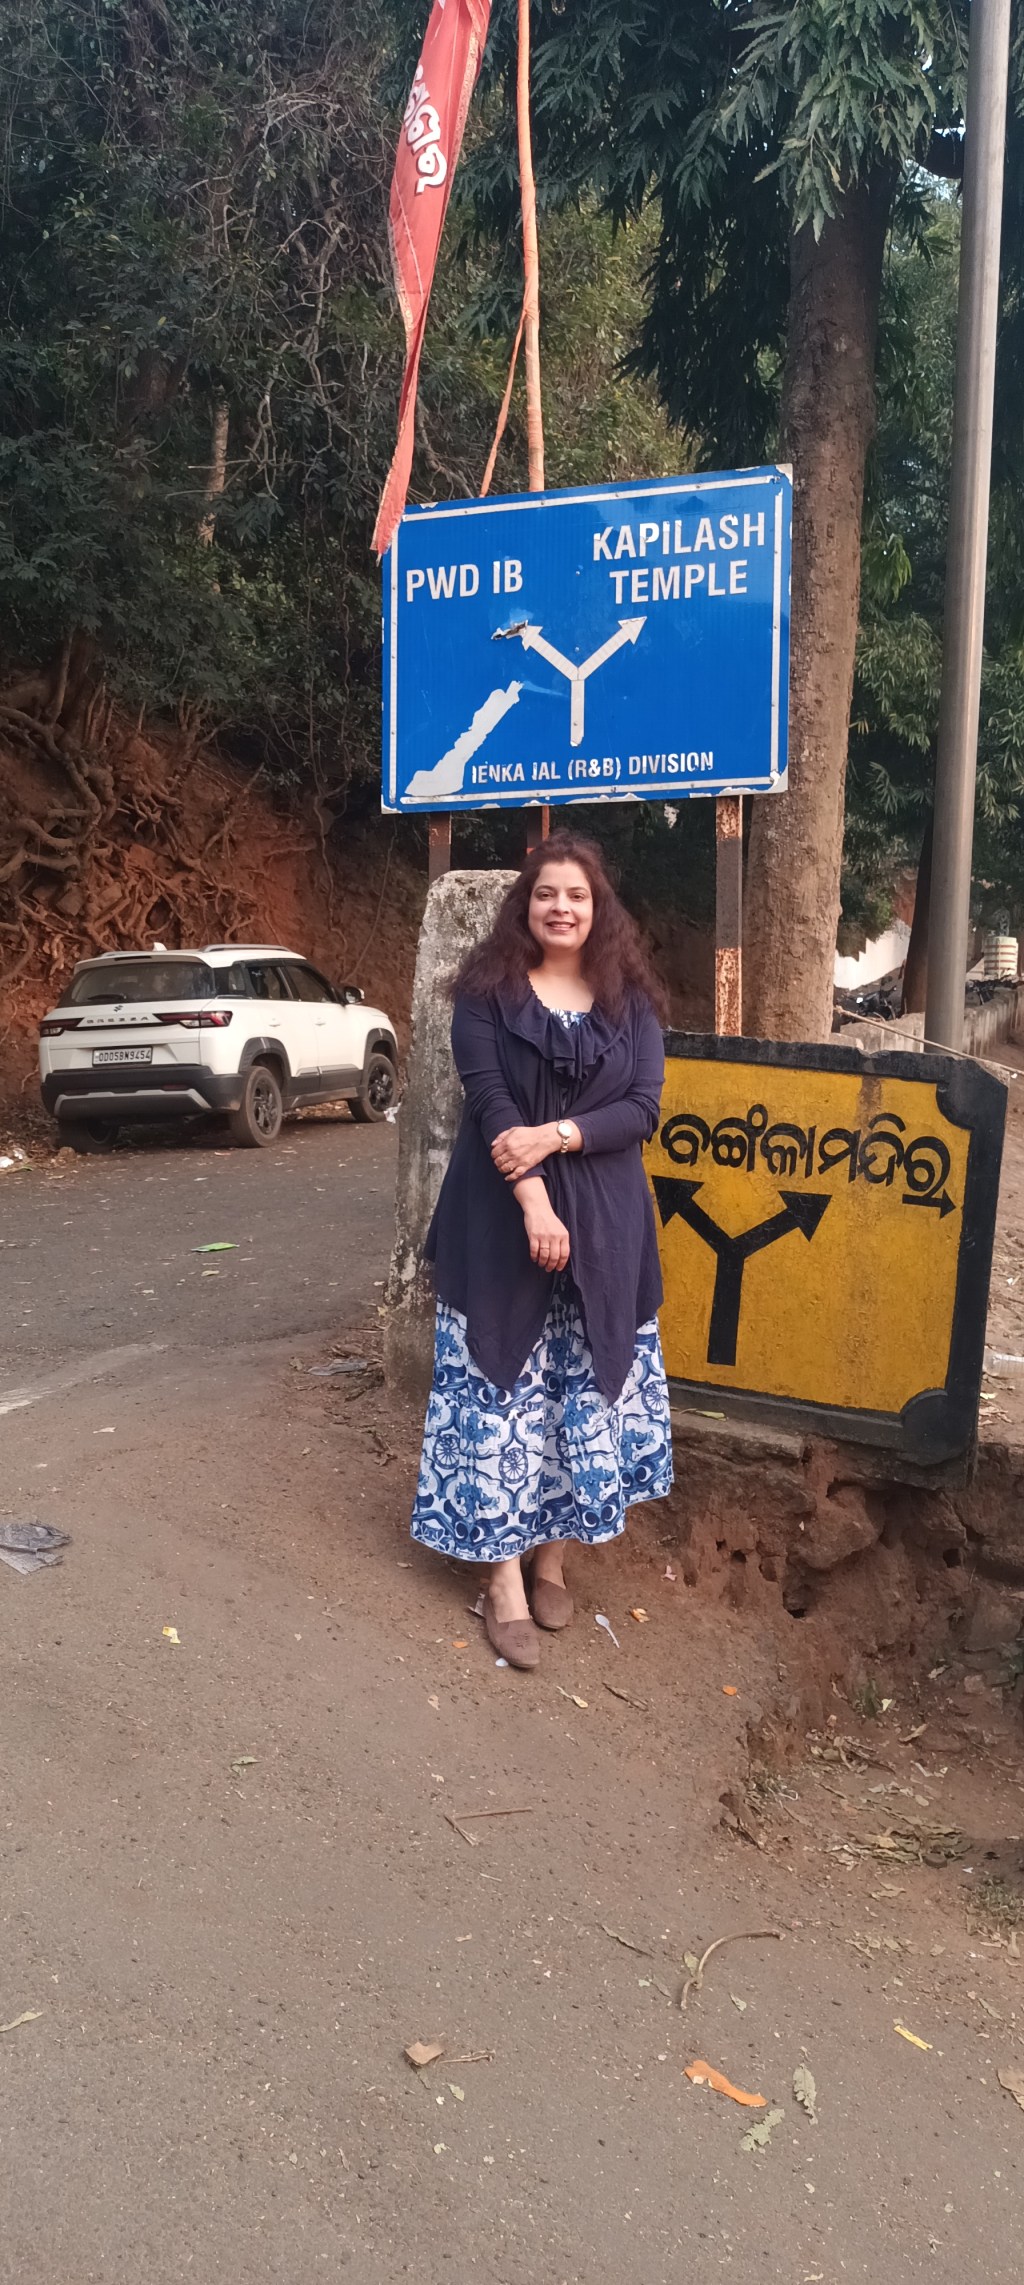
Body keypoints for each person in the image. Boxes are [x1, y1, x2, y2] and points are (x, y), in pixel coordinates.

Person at [410, 830, 674, 1670]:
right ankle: (503, 1582)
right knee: (498, 1391)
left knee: (579, 1393)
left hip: (608, 1226)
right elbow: (490, 1104)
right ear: (525, 906)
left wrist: (559, 1134)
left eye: (578, 896)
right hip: (498, 1220)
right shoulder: (486, 993)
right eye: (546, 894)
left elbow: (641, 1108)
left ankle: (554, 1554)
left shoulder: (628, 1000)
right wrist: (532, 1202)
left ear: (600, 912)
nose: (561, 907)